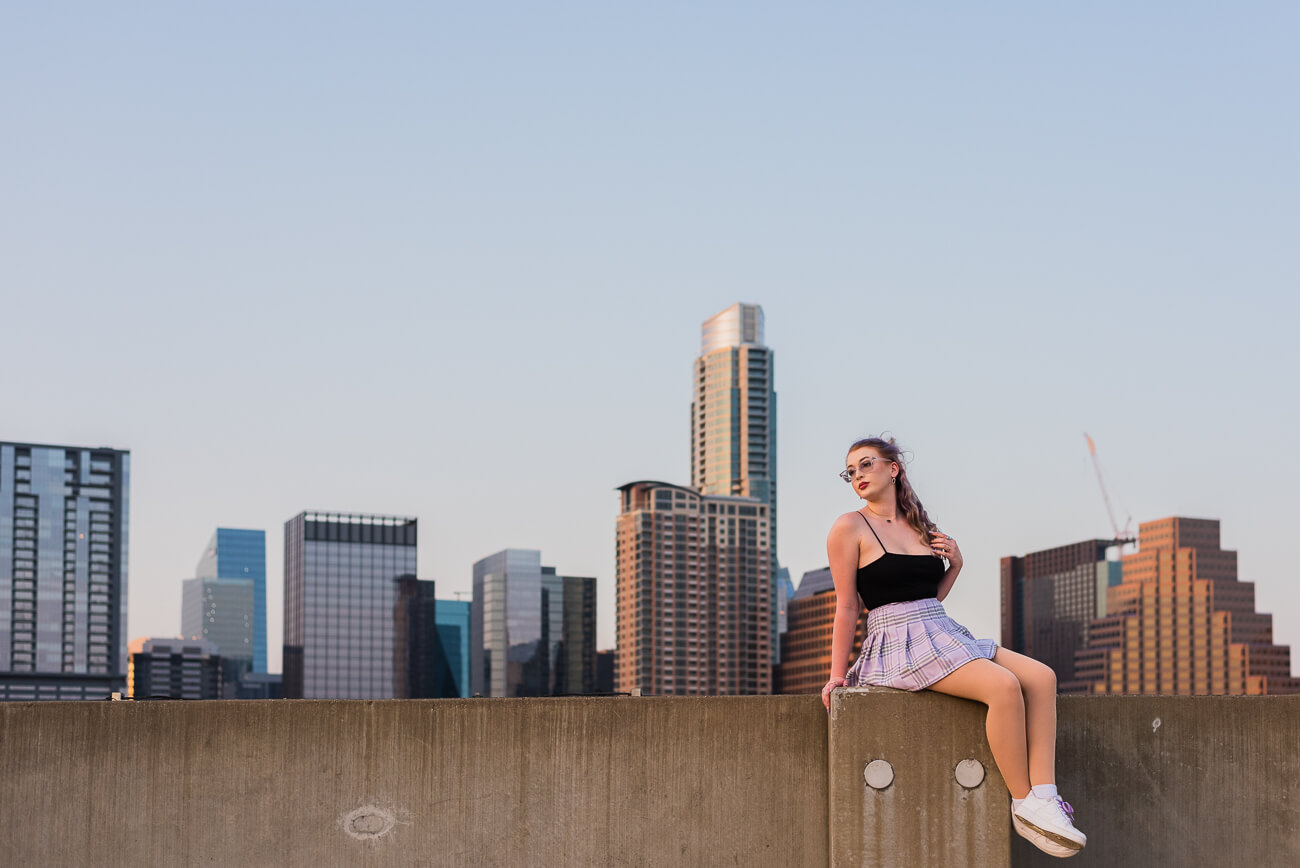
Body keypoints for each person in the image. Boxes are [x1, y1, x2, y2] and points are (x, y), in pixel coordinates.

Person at [820, 436, 1086, 859]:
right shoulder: (848, 527)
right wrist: (837, 674)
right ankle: (1023, 802)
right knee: (1002, 688)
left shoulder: (918, 525)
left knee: (1041, 677)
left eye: (866, 465)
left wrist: (956, 565)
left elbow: (930, 596)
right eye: (850, 472)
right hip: (896, 639)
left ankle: (1046, 796)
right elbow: (848, 605)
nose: (857, 476)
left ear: (894, 469)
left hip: (939, 627)